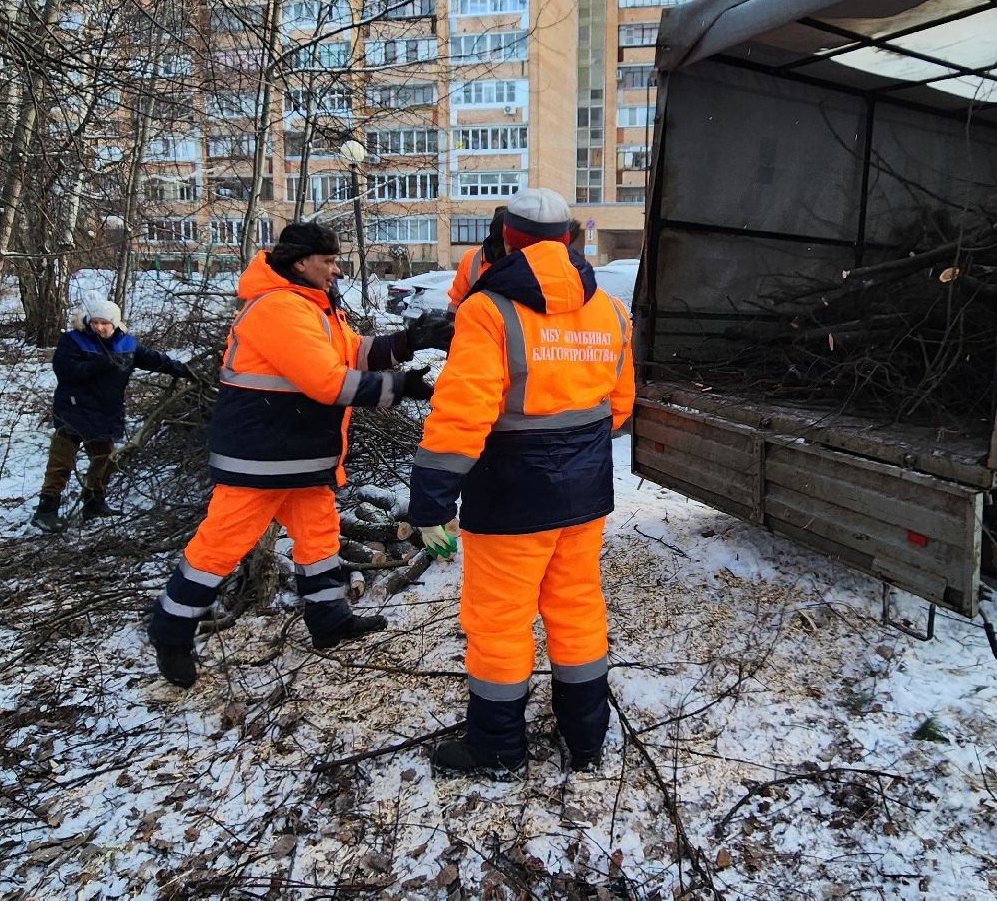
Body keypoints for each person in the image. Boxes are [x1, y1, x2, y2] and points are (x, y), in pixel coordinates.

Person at [147, 222, 454, 687]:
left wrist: (409, 341)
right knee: (221, 544)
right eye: (328, 261)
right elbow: (327, 381)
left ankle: (329, 620)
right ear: (300, 262)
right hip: (261, 458)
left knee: (319, 537)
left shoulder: (313, 305)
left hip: (299, 454)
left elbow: (353, 352)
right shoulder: (278, 309)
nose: (336, 270)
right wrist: (400, 386)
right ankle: (170, 632)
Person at [407, 189, 634, 778]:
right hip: (584, 495)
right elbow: (618, 408)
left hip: (510, 497)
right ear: (568, 238)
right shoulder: (610, 310)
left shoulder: (488, 311)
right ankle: (586, 740)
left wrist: (430, 501)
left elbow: (462, 417)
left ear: (507, 239)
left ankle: (497, 749)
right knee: (577, 607)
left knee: (499, 621)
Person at [33, 298, 195, 532]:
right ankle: (46, 511)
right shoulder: (73, 341)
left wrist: (183, 370)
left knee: (105, 461)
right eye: (95, 322)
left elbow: (153, 359)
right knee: (61, 463)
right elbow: (67, 371)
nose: (99, 327)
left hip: (106, 413)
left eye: (104, 323)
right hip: (73, 410)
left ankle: (94, 503)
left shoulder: (126, 344)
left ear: (115, 324)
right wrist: (100, 364)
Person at [446, 206, 507, 313]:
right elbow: (457, 301)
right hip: (476, 320)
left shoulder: (523, 258)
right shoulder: (471, 258)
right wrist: (452, 320)